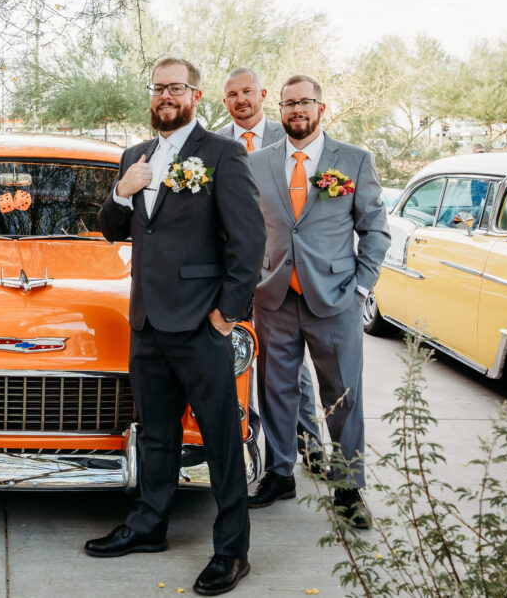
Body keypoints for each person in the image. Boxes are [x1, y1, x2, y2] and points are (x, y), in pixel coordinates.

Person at [89, 56, 265, 596]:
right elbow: (112, 231)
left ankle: (232, 551)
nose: (165, 96)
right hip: (145, 322)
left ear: (196, 95)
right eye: (157, 88)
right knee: (157, 434)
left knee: (220, 440)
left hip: (200, 325)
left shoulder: (223, 154)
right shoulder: (135, 155)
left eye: (176, 88)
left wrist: (225, 316)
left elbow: (250, 242)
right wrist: (123, 190)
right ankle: (148, 526)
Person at [246, 75, 390, 528]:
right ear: (281, 109)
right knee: (276, 393)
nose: (296, 111)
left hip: (335, 301)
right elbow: (246, 231)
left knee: (343, 396)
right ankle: (280, 472)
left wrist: (361, 290)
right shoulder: (258, 163)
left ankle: (348, 488)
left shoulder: (353, 160)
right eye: (289, 104)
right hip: (274, 299)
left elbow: (375, 231)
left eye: (305, 102)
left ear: (321, 107)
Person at [216, 68, 323, 472]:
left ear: (261, 94)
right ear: (224, 100)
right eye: (232, 94)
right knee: (239, 359)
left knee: (290, 367)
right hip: (232, 272)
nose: (240, 99)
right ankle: (258, 446)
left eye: (247, 92)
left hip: (281, 270)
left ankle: (308, 445)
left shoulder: (293, 137)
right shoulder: (212, 145)